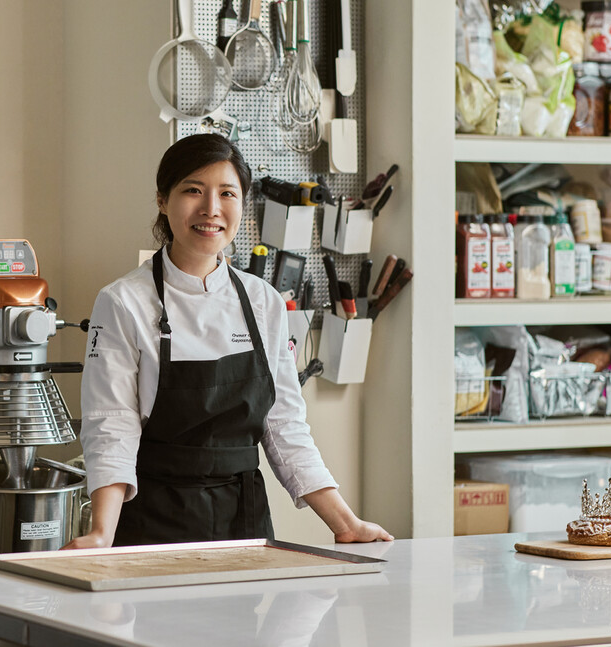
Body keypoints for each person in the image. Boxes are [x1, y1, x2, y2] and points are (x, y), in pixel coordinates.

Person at [64, 134, 392, 549]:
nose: (211, 209)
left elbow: (283, 423)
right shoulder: (123, 301)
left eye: (227, 193)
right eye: (193, 191)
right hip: (153, 518)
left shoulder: (263, 301)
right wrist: (101, 533)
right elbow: (112, 423)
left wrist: (345, 523)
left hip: (245, 519)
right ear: (163, 200)